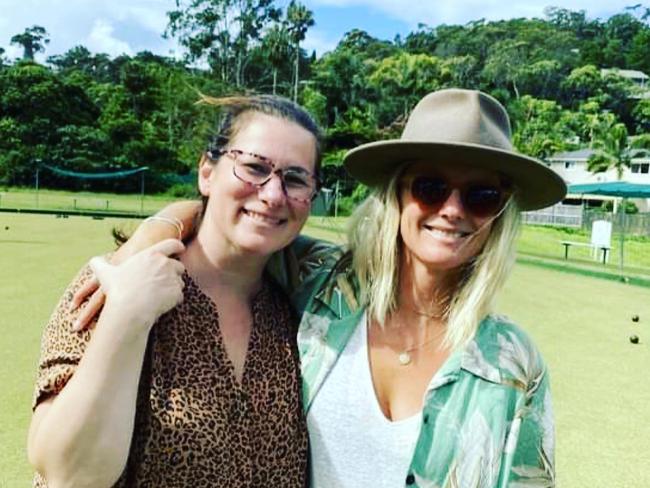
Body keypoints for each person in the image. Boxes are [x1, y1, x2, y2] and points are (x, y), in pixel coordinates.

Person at [72, 89, 566, 487]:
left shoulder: (512, 364)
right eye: (431, 187)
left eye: (481, 196)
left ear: (501, 213)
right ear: (396, 193)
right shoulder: (329, 286)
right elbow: (241, 219)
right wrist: (152, 233)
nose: (453, 210)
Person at [27, 94, 323, 487]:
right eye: (253, 167)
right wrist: (127, 315)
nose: (272, 195)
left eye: (295, 178)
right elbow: (68, 474)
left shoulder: (301, 308)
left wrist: (167, 219)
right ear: (207, 172)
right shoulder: (120, 278)